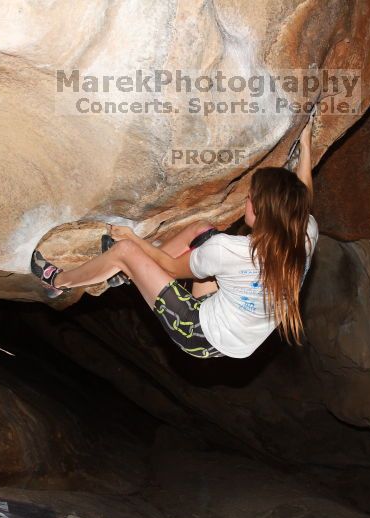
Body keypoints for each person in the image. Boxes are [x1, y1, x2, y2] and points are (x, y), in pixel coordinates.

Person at [31, 117, 319, 359]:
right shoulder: (305, 234)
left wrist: (134, 241)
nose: (246, 199)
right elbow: (303, 195)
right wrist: (305, 145)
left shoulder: (232, 251)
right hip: (240, 333)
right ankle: (127, 275)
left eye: (250, 198)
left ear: (257, 210)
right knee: (201, 231)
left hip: (201, 333)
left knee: (127, 250)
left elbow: (170, 266)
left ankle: (57, 282)